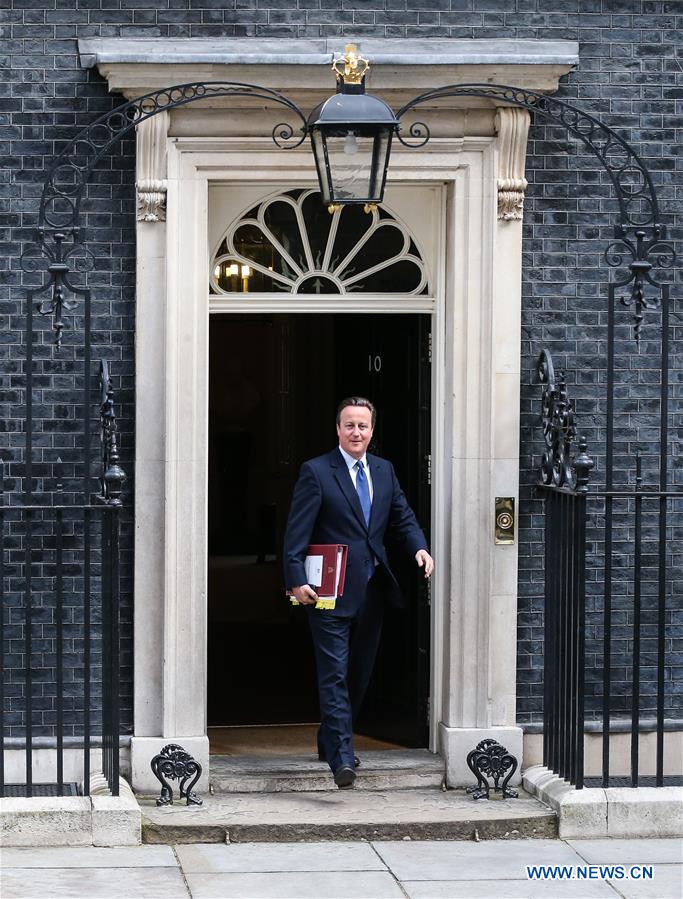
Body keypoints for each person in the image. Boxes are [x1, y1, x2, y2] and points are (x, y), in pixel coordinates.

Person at [283, 396, 434, 789]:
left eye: (362, 426)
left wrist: (418, 547)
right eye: (349, 425)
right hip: (328, 593)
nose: (356, 432)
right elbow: (297, 531)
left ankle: (328, 738)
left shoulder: (384, 471)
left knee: (358, 674)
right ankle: (342, 757)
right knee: (333, 673)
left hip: (372, 590)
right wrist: (296, 579)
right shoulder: (316, 472)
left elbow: (402, 516)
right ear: (337, 429)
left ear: (371, 430)